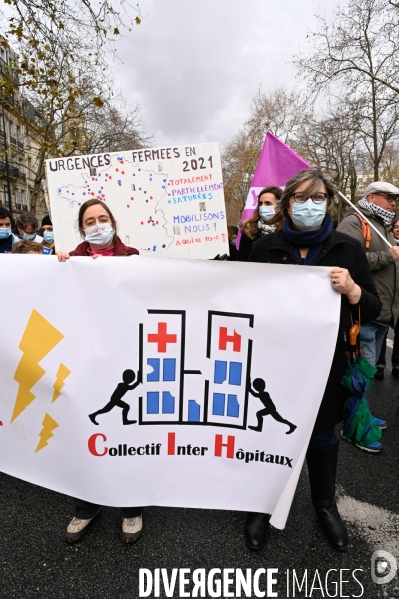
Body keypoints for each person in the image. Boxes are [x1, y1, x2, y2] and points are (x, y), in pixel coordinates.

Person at [246, 167, 381, 553]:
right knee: (269, 434)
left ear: (329, 202)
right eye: (300, 198)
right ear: (287, 205)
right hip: (273, 365)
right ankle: (262, 506)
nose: (308, 205)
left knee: (322, 437)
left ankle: (324, 505)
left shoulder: (347, 249)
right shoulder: (263, 250)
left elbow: (373, 308)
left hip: (327, 366)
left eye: (317, 198)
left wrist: (354, 289)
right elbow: (243, 302)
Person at [57, 198, 143, 544]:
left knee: (127, 432)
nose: (97, 225)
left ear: (113, 222)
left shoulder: (133, 257)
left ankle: (130, 507)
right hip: (82, 361)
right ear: (81, 229)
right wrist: (60, 267)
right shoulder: (69, 262)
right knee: (82, 433)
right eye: (90, 221)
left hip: (124, 358)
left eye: (103, 218)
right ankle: (86, 505)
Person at [337, 181, 399, 444]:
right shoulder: (354, 222)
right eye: (389, 198)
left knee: (368, 371)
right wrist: (389, 256)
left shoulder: (383, 225)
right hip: (364, 314)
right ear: (372, 197)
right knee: (361, 373)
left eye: (396, 199)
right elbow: (348, 261)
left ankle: (362, 413)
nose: (394, 203)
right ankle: (355, 427)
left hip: (384, 313)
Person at [375, 215, 399, 380]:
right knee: (381, 330)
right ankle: (380, 364)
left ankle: (396, 363)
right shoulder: (384, 243)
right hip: (386, 296)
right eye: (397, 226)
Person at [237, 186, 283, 261]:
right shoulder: (249, 230)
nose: (262, 206)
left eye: (268, 203)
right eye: (260, 203)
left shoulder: (287, 231)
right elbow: (241, 260)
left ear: (279, 207)